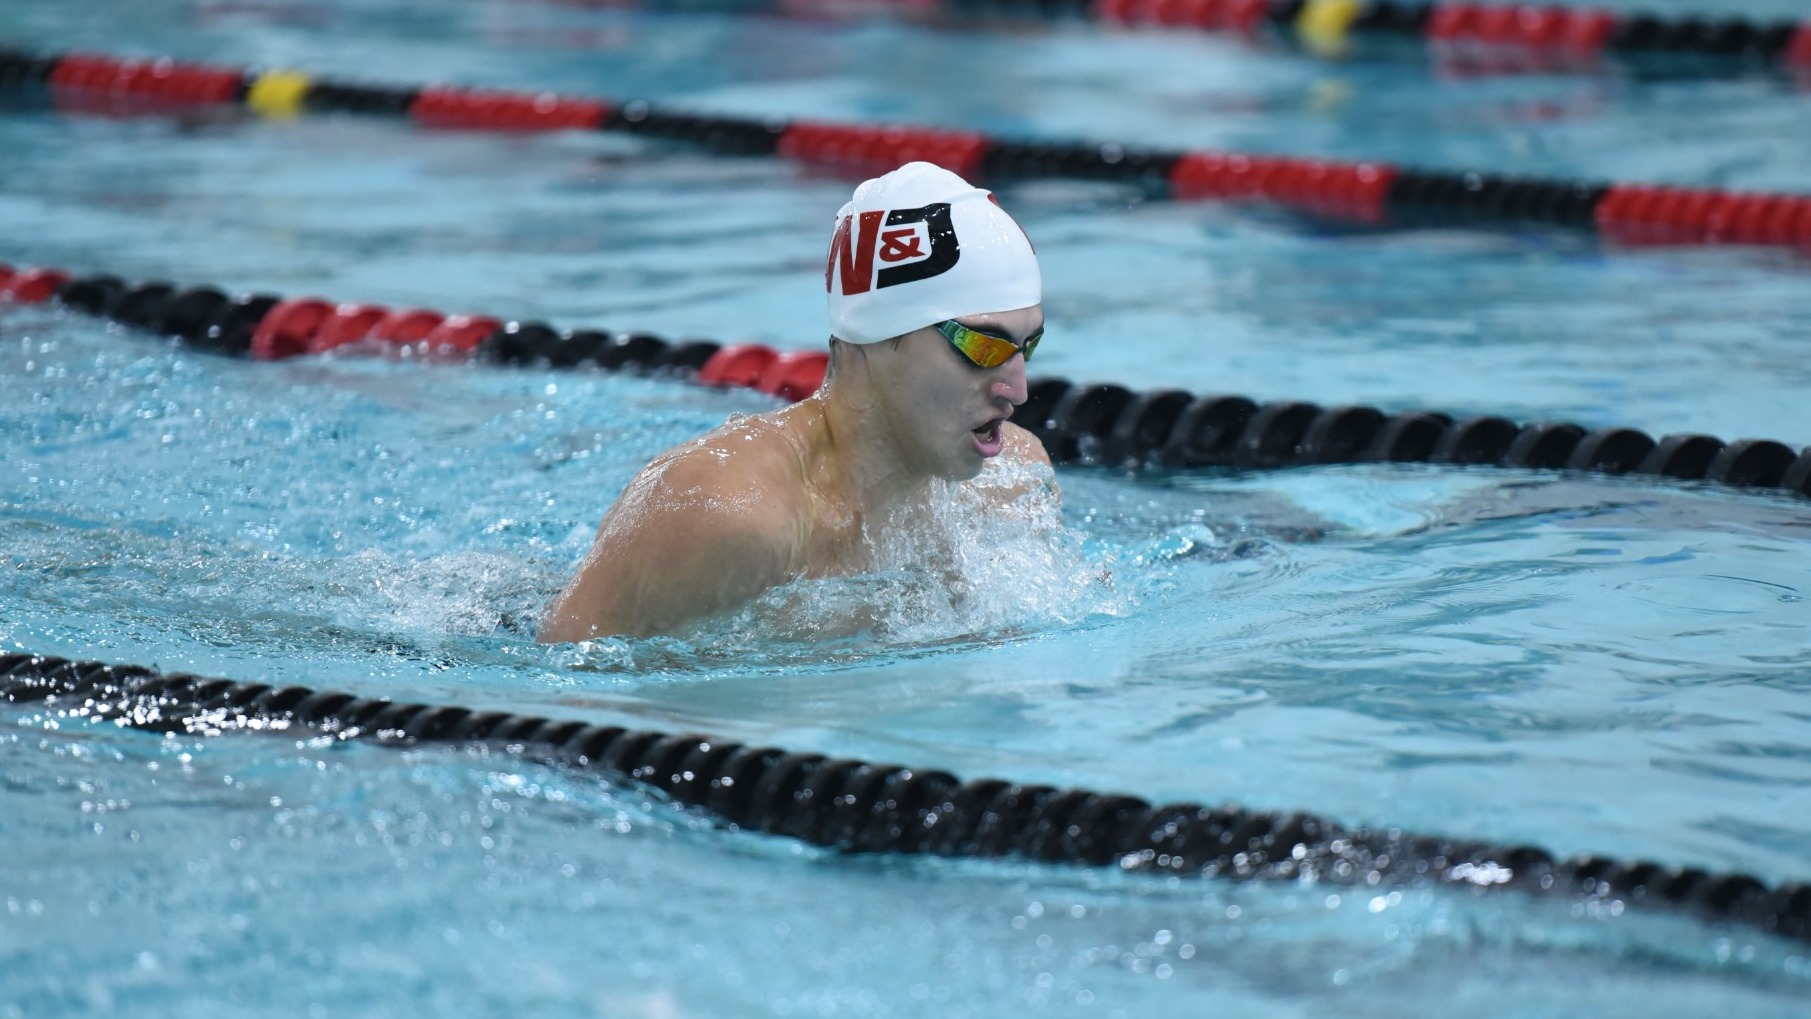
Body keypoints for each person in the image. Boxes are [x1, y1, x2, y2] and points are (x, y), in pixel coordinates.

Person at [536, 162, 1056, 642]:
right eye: (983, 346)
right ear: (874, 338)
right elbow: (566, 690)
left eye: (1026, 345)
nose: (1017, 389)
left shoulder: (1014, 483)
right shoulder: (728, 517)